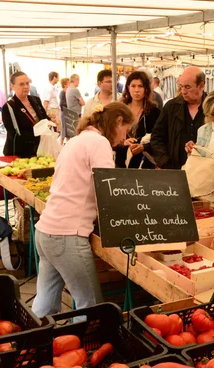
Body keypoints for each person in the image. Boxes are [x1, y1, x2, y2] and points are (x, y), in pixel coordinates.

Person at [31, 102, 134, 317]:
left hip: (46, 231)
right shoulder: (99, 143)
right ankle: (84, 349)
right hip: (67, 236)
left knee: (45, 304)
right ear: (117, 122)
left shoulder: (75, 141)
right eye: (126, 129)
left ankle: (33, 346)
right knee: (90, 307)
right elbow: (107, 189)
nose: (125, 137)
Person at [150, 67, 207, 169]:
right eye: (181, 86)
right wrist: (165, 162)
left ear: (201, 85)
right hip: (175, 171)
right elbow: (157, 137)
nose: (183, 91)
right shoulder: (171, 107)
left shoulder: (213, 109)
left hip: (204, 173)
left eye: (188, 87)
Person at [116, 71, 161, 169]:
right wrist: (123, 143)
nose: (136, 90)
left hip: (144, 163)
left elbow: (159, 138)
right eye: (133, 86)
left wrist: (144, 146)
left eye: (140, 86)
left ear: (146, 89)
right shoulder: (119, 110)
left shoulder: (154, 112)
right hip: (121, 162)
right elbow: (110, 136)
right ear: (128, 87)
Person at [1, 71, 49, 157]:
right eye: (21, 84)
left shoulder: (36, 100)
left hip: (39, 149)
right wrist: (37, 134)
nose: (26, 87)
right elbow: (14, 133)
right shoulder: (9, 107)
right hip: (19, 152)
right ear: (12, 86)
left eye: (27, 83)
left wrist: (50, 121)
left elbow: (44, 118)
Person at [58, 77, 69, 145]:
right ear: (65, 84)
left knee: (67, 128)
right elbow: (62, 103)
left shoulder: (67, 91)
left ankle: (67, 142)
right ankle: (61, 143)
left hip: (66, 112)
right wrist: (69, 104)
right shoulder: (62, 92)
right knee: (64, 127)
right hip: (64, 112)